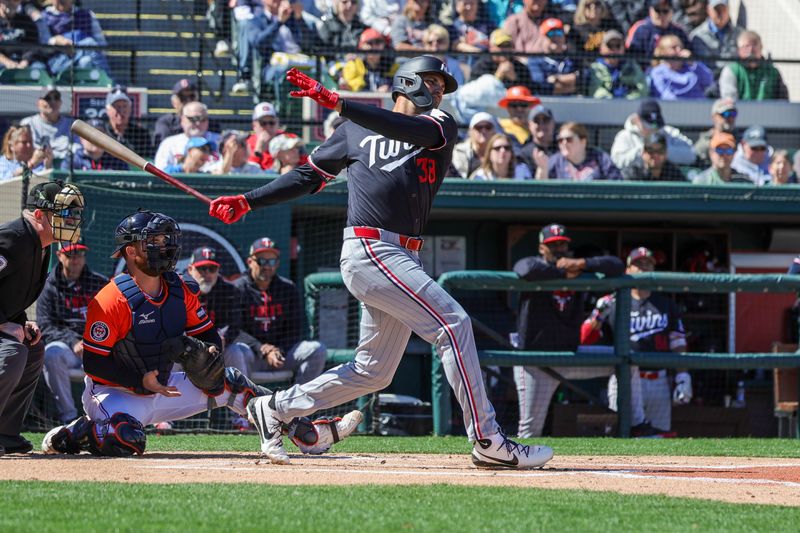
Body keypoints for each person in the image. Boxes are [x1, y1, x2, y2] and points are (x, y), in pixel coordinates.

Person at [209, 55, 554, 468]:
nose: (439, 89)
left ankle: (275, 409)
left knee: (374, 371)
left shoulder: (440, 124)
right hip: (370, 247)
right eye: (431, 81)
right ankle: (488, 439)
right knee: (453, 323)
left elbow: (402, 127)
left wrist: (340, 102)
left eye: (442, 84)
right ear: (407, 82)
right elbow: (306, 176)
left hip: (402, 253)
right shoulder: (352, 131)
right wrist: (249, 200)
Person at [41, 211, 361, 457]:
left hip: (165, 387)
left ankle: (308, 434)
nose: (164, 246)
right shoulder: (110, 299)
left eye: (165, 240)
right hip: (114, 393)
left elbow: (209, 335)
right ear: (130, 252)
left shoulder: (181, 290)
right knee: (128, 440)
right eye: (153, 241)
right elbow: (94, 365)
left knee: (233, 382)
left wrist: (206, 357)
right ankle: (79, 431)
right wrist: (140, 381)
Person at [512, 223, 653, 438]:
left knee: (626, 361)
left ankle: (633, 424)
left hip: (570, 356)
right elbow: (524, 269)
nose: (558, 249)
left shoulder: (577, 269)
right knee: (530, 432)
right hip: (535, 361)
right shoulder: (535, 265)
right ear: (542, 248)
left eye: (562, 244)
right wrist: (562, 272)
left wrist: (582, 263)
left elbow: (615, 265)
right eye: (553, 245)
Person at [0, 181, 84, 456]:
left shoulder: (42, 245)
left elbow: (10, 293)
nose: (70, 220)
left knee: (33, 348)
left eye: (72, 214)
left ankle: (6, 433)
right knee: (12, 352)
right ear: (39, 216)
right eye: (63, 214)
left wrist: (21, 322)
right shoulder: (13, 238)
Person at [581, 246, 690, 434]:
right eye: (638, 264)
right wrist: (598, 313)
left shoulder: (666, 304)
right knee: (620, 433)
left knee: (658, 435)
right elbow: (585, 338)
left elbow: (678, 342)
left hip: (658, 381)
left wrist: (683, 375)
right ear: (628, 270)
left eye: (648, 264)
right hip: (624, 378)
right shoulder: (614, 302)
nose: (644, 268)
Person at [231, 237, 327, 385]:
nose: (267, 266)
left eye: (272, 261)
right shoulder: (236, 288)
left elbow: (294, 330)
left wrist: (277, 350)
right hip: (251, 355)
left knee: (317, 350)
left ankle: (297, 405)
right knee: (236, 351)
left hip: (280, 355)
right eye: (262, 261)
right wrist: (261, 348)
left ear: (277, 263)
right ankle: (241, 405)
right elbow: (233, 330)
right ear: (250, 262)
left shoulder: (288, 288)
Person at [37, 240, 107, 424]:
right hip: (69, 351)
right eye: (70, 255)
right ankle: (69, 419)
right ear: (59, 256)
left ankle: (109, 416)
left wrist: (93, 340)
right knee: (51, 353)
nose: (75, 260)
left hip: (98, 346)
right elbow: (46, 326)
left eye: (79, 255)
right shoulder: (48, 285)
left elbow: (113, 317)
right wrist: (73, 341)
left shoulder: (99, 282)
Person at [610, 99, 695, 170]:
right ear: (637, 120)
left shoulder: (669, 132)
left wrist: (662, 150)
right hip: (636, 183)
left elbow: (691, 155)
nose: (653, 129)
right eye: (648, 125)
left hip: (665, 181)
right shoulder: (625, 136)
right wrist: (643, 151)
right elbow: (617, 161)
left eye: (655, 125)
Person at [40, 0, 110, 76]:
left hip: (84, 58)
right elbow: (42, 45)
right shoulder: (44, 16)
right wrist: (55, 41)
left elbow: (101, 44)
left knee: (86, 61)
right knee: (90, 42)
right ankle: (110, 81)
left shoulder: (87, 15)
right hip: (58, 61)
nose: (62, 2)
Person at [719, 30, 788, 101]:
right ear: (739, 50)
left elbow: (783, 101)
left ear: (761, 47)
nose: (751, 49)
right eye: (746, 46)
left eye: (754, 45)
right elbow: (729, 100)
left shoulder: (773, 72)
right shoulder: (731, 71)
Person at [542, 121, 622, 181]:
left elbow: (617, 184)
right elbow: (541, 189)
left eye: (569, 139)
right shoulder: (555, 161)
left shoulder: (601, 158)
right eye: (560, 140)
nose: (564, 143)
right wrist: (542, 169)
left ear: (583, 142)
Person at [152, 79, 221, 148]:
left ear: (197, 99)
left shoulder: (209, 123)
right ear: (173, 102)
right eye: (182, 97)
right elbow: (163, 147)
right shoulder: (166, 122)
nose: (188, 100)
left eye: (191, 96)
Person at [154, 102, 220, 170]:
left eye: (203, 119)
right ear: (182, 120)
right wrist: (182, 168)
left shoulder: (219, 141)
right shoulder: (169, 143)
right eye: (193, 119)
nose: (198, 123)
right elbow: (160, 170)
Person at [647, 33, 715, 100]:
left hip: (699, 106)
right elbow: (664, 95)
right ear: (663, 52)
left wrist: (692, 63)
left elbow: (709, 80)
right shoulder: (658, 72)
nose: (679, 50)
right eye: (674, 48)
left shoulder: (693, 67)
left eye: (680, 47)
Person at [626, 0, 689, 67]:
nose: (661, 15)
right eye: (657, 10)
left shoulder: (678, 31)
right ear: (650, 11)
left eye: (665, 11)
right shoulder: (640, 29)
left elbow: (689, 52)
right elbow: (632, 58)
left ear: (671, 12)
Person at [587, 29, 647, 99]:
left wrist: (627, 101)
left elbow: (643, 90)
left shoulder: (632, 66)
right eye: (610, 46)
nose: (614, 49)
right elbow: (596, 91)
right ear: (601, 48)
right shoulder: (595, 68)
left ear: (623, 48)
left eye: (618, 45)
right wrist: (613, 102)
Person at [20, 86, 74, 162]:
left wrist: (50, 155)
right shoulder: (28, 123)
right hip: (35, 168)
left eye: (56, 98)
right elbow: (23, 151)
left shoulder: (72, 124)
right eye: (47, 98)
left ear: (61, 102)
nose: (53, 102)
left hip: (65, 167)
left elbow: (77, 149)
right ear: (38, 103)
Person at [689, 0, 742, 75]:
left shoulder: (740, 34)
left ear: (728, 10)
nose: (720, 13)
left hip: (733, 78)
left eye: (723, 9)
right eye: (716, 9)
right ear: (708, 10)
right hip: (707, 81)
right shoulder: (697, 36)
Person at [527, 18, 578, 96]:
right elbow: (541, 86)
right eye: (550, 34)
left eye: (559, 33)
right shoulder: (535, 60)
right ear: (542, 38)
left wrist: (557, 78)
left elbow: (584, 79)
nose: (555, 37)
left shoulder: (573, 59)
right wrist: (571, 85)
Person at [469, 29, 533, 90]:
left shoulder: (520, 67)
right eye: (501, 45)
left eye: (508, 45)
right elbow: (474, 93)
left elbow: (532, 91)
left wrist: (514, 78)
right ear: (491, 48)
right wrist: (498, 77)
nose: (505, 50)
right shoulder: (481, 66)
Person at [337, 28, 397, 92]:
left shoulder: (393, 66)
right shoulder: (353, 65)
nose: (374, 47)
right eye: (370, 43)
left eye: (378, 42)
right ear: (361, 46)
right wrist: (348, 87)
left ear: (384, 45)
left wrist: (390, 88)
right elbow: (349, 89)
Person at [62, 118, 129, 172]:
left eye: (100, 134)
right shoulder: (72, 160)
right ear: (82, 139)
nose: (96, 139)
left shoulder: (117, 162)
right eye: (91, 135)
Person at [103, 86, 152, 159]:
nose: (121, 111)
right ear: (107, 110)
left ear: (130, 109)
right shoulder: (102, 132)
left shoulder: (141, 134)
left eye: (124, 106)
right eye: (117, 107)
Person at [451, 111, 497, 179]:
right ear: (470, 131)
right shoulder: (457, 151)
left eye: (488, 127)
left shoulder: (501, 150)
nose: (483, 131)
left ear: (494, 131)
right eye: (478, 127)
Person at [693, 97, 737, 166]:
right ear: (714, 117)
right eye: (726, 114)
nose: (730, 117)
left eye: (733, 114)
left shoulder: (741, 141)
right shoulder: (705, 142)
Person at [517, 104, 558, 175]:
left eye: (545, 120)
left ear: (553, 123)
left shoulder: (563, 148)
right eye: (536, 121)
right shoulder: (524, 154)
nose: (541, 125)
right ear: (529, 125)